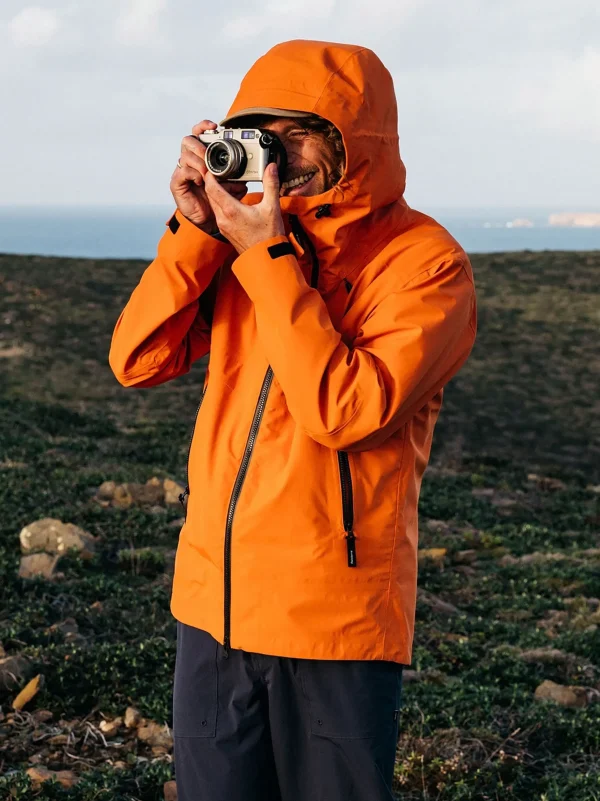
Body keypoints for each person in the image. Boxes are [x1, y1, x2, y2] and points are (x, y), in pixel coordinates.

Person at [109, 39, 477, 801]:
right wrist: (197, 234)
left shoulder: (427, 264)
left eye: (301, 131)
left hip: (334, 622)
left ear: (359, 139)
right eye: (262, 132)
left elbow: (346, 410)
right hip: (216, 609)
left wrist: (267, 254)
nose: (280, 151)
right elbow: (137, 359)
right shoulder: (250, 243)